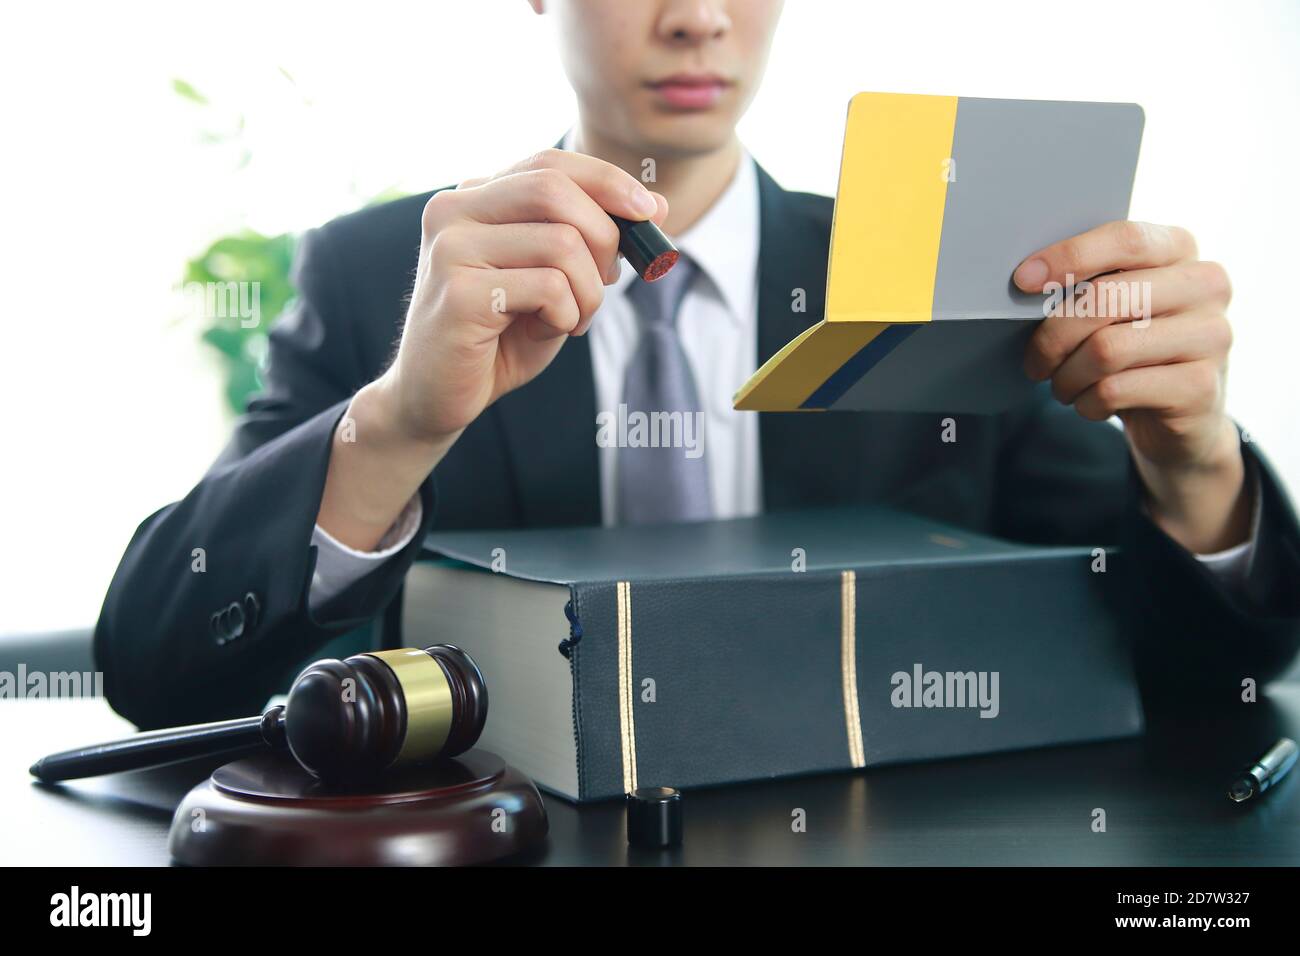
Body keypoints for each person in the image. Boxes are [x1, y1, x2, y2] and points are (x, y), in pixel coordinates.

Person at [96, 0, 1300, 729]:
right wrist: (399, 423)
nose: (696, 16)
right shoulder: (383, 277)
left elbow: (1208, 671)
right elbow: (154, 663)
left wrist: (1196, 468)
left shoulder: (931, 278)